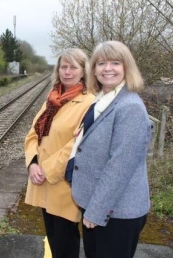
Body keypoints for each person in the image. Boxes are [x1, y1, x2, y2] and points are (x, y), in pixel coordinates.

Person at [70, 41, 151, 258]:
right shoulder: (103, 100)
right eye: (101, 63)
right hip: (100, 206)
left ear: (127, 67)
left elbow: (120, 167)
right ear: (94, 69)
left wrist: (96, 212)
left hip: (115, 213)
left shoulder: (130, 107)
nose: (108, 68)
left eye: (116, 62)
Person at [24, 48, 95, 258]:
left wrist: (46, 170)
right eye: (64, 66)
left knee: (65, 243)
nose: (68, 71)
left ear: (83, 71)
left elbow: (78, 144)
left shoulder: (89, 102)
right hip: (42, 179)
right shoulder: (52, 98)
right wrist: (33, 163)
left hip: (64, 184)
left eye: (74, 67)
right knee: (54, 238)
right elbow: (33, 134)